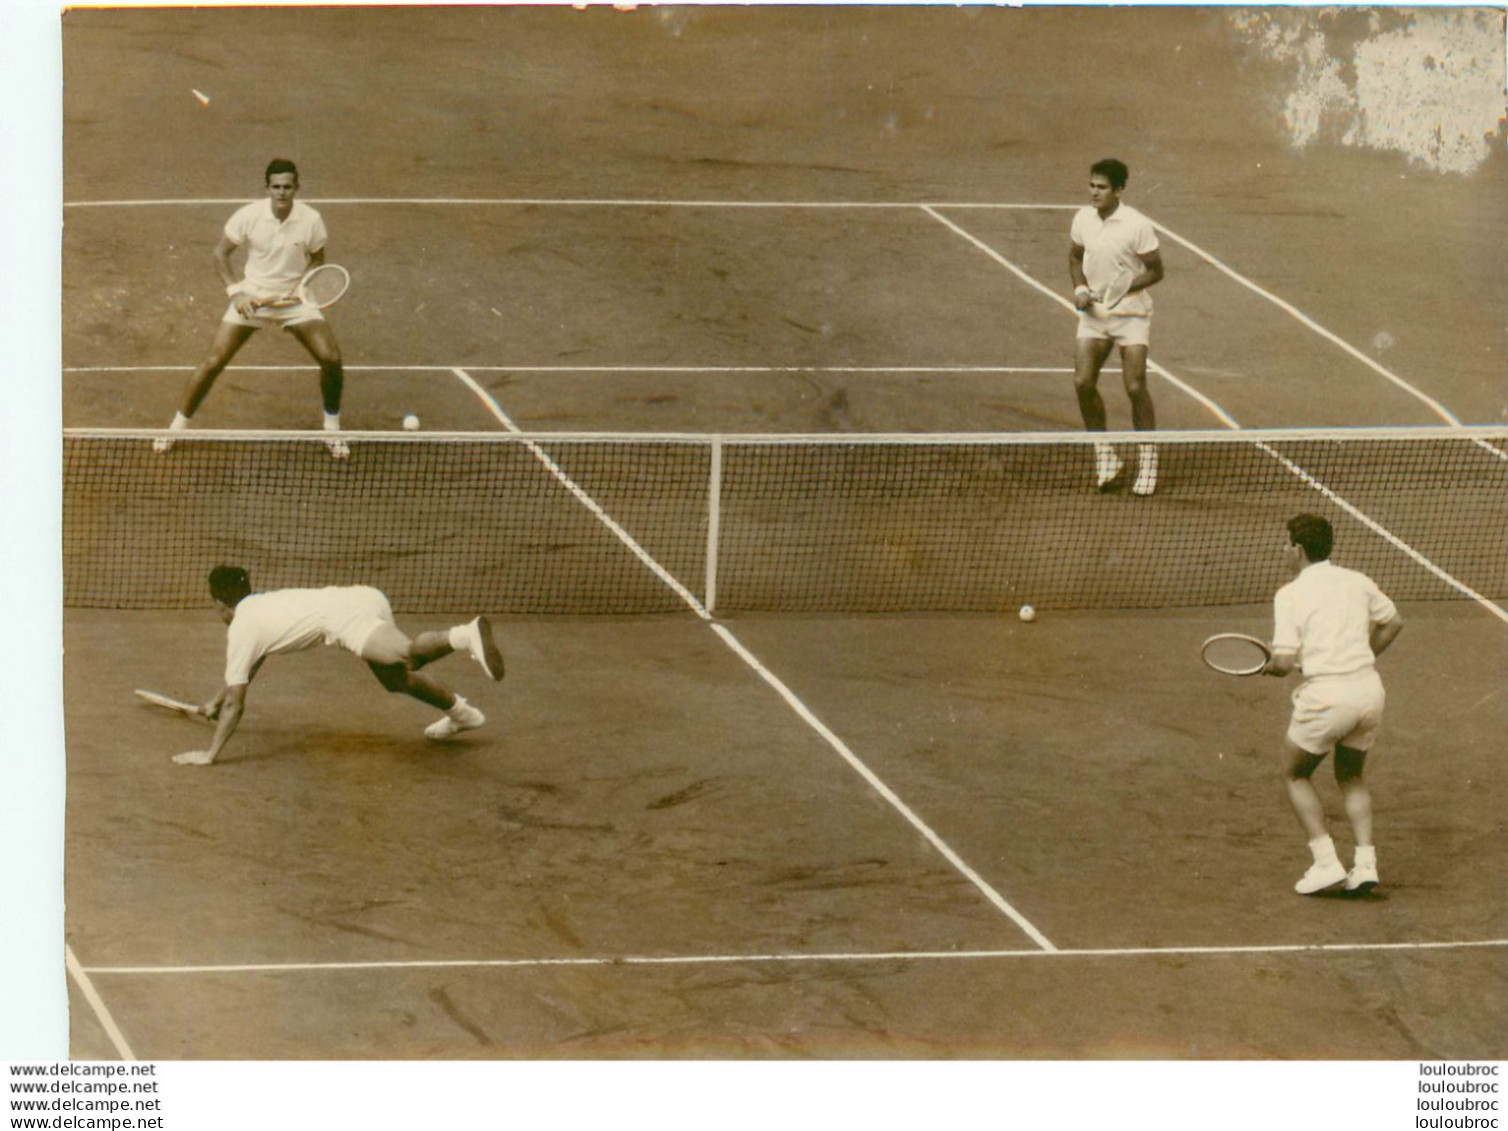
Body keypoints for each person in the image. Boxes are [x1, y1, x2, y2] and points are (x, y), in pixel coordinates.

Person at [172, 566, 506, 767]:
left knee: (406, 654)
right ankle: (463, 715)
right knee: (396, 680)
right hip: (363, 597)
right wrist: (217, 701)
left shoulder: (242, 628)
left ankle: (463, 635)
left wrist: (210, 753)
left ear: (219, 604)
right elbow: (247, 669)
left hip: (346, 620)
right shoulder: (259, 606)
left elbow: (237, 702)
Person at [154, 159, 348, 458]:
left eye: (287, 187)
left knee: (331, 358)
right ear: (267, 188)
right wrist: (236, 293)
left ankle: (332, 429)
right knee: (214, 361)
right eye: (276, 187)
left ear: (297, 187)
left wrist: (303, 291)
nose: (282, 193)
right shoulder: (249, 215)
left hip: (295, 302)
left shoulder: (311, 219)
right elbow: (220, 254)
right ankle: (176, 428)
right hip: (252, 297)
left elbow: (318, 261)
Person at [1262, 514, 1404, 895]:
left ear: (1300, 549)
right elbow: (1393, 623)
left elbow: (1285, 662)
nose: (1284, 550)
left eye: (1286, 544)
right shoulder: (1357, 581)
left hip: (1327, 698)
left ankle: (1326, 862)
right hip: (1368, 691)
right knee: (1351, 776)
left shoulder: (1289, 595)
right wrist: (1360, 657)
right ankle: (1365, 864)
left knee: (1294, 773)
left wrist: (1272, 668)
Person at [1068, 158, 1165, 495]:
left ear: (1119, 190)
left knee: (1135, 387)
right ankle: (1105, 455)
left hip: (1132, 317)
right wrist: (1080, 288)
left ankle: (1148, 461)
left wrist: (1127, 288)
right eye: (1092, 185)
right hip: (1095, 314)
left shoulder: (1137, 225)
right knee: (1082, 382)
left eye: (1102, 187)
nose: (1095, 192)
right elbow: (1074, 256)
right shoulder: (1082, 218)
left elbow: (1156, 270)